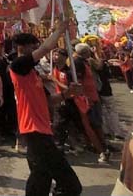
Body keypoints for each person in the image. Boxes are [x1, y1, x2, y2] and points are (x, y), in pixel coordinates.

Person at [10, 20, 82, 196]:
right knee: (70, 185)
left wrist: (68, 93)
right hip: (33, 130)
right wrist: (59, 31)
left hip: (43, 130)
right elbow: (45, 49)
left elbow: (49, 101)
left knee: (41, 178)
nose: (36, 49)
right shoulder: (18, 66)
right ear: (23, 47)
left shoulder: (34, 74)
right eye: (33, 46)